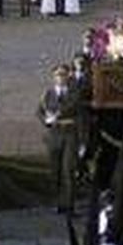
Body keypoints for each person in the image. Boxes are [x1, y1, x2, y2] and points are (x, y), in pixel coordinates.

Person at [38, 63, 80, 214]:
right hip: (54, 134)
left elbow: (74, 108)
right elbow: (39, 111)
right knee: (55, 171)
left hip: (69, 134)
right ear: (53, 77)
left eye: (63, 74)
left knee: (68, 170)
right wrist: (46, 120)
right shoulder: (48, 93)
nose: (60, 77)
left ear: (68, 76)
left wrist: (58, 114)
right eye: (57, 75)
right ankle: (57, 202)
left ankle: (70, 205)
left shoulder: (74, 92)